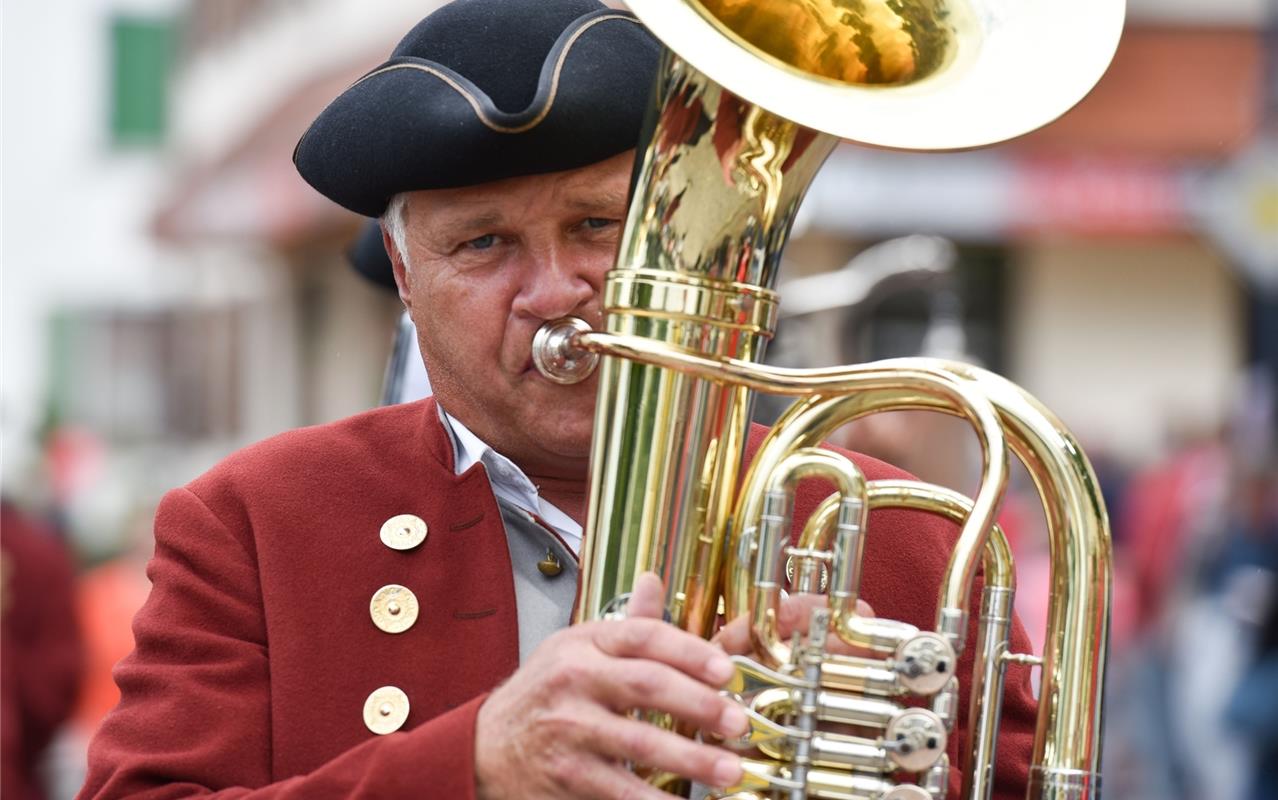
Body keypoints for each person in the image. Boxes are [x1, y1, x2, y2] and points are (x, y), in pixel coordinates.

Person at [79, 1, 1039, 798]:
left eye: (596, 224)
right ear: (407, 282)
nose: (555, 291)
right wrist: (473, 763)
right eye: (484, 244)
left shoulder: (909, 536)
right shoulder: (252, 522)